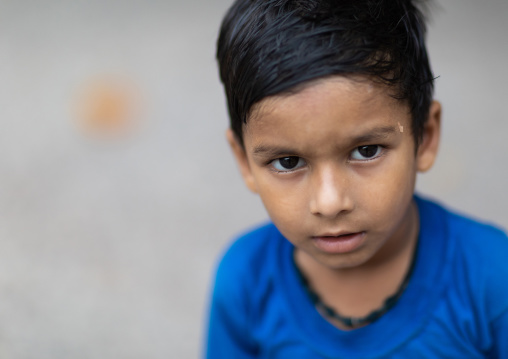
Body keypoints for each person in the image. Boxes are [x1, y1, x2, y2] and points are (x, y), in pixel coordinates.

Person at [206, 0, 508, 357]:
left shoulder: (492, 278)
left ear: (424, 135)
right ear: (243, 160)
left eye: (366, 151)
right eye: (288, 162)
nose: (330, 202)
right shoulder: (245, 282)